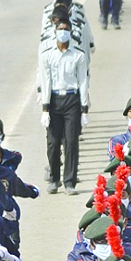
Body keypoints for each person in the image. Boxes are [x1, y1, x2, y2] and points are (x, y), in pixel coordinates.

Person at [39, 15, 89, 194]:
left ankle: (70, 181)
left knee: (71, 142)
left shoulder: (78, 56)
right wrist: (45, 108)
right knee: (52, 142)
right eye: (60, 30)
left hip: (71, 100)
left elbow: (83, 81)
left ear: (70, 32)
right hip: (54, 100)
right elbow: (45, 82)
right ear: (55, 32)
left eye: (66, 30)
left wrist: (84, 109)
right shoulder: (48, 55)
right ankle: (54, 178)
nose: (63, 33)